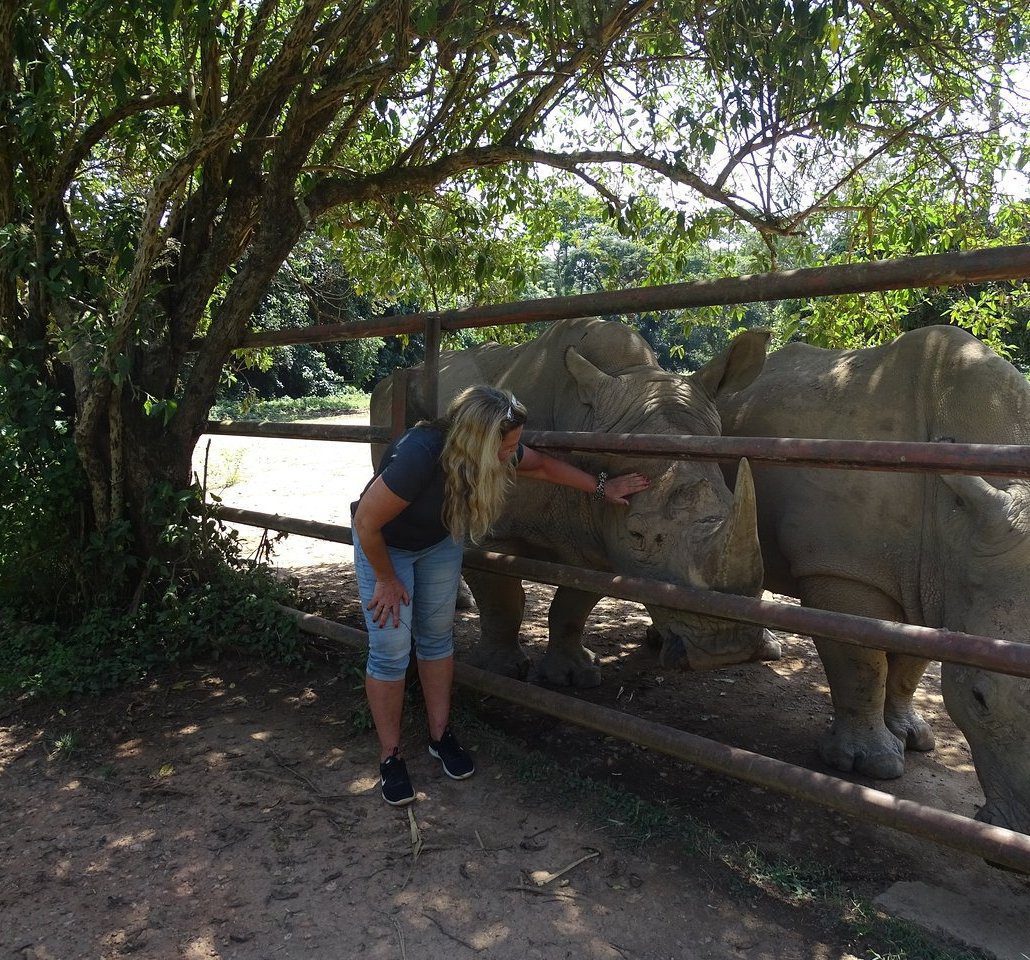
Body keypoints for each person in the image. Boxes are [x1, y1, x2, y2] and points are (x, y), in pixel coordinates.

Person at [351, 384, 651, 806]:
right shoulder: (420, 454)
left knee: (437, 638)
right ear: (476, 439)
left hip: (438, 541)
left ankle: (440, 737)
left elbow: (544, 466)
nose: (514, 453)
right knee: (390, 649)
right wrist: (385, 579)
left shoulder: (493, 448)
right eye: (507, 446)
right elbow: (366, 521)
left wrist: (603, 487)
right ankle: (391, 757)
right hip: (385, 547)